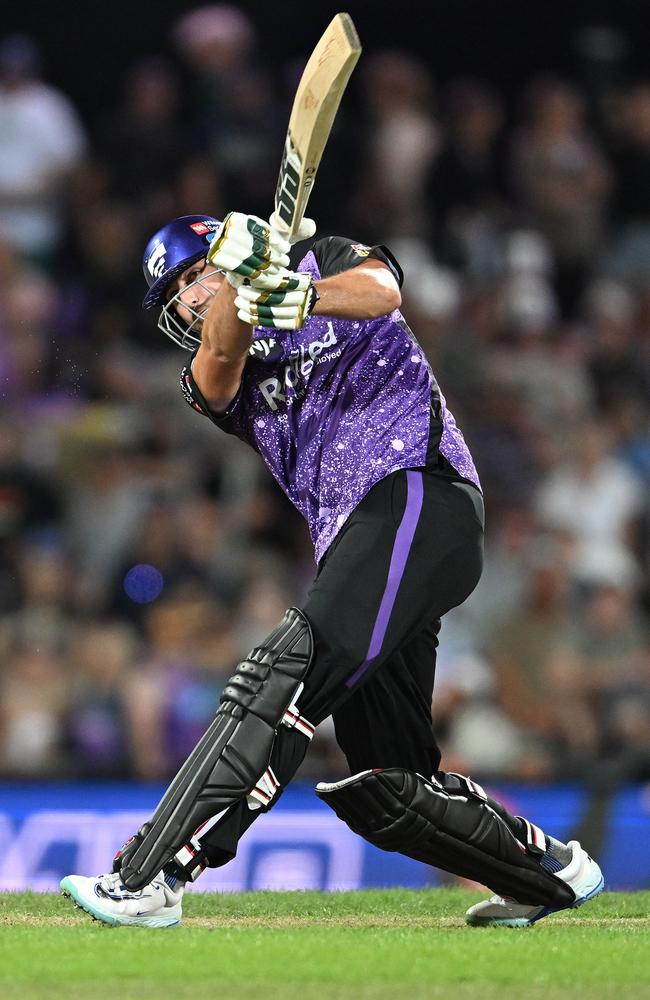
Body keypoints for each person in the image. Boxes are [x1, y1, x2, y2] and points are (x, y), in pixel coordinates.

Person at [60, 211, 603, 928]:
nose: (192, 297)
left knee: (281, 670)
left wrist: (297, 290)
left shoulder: (321, 260)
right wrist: (244, 293)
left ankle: (150, 878)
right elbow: (218, 368)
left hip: (420, 495)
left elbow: (383, 290)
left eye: (198, 272)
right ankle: (553, 874)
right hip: (365, 543)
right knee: (387, 784)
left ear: (231, 258)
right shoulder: (216, 368)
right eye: (180, 292)